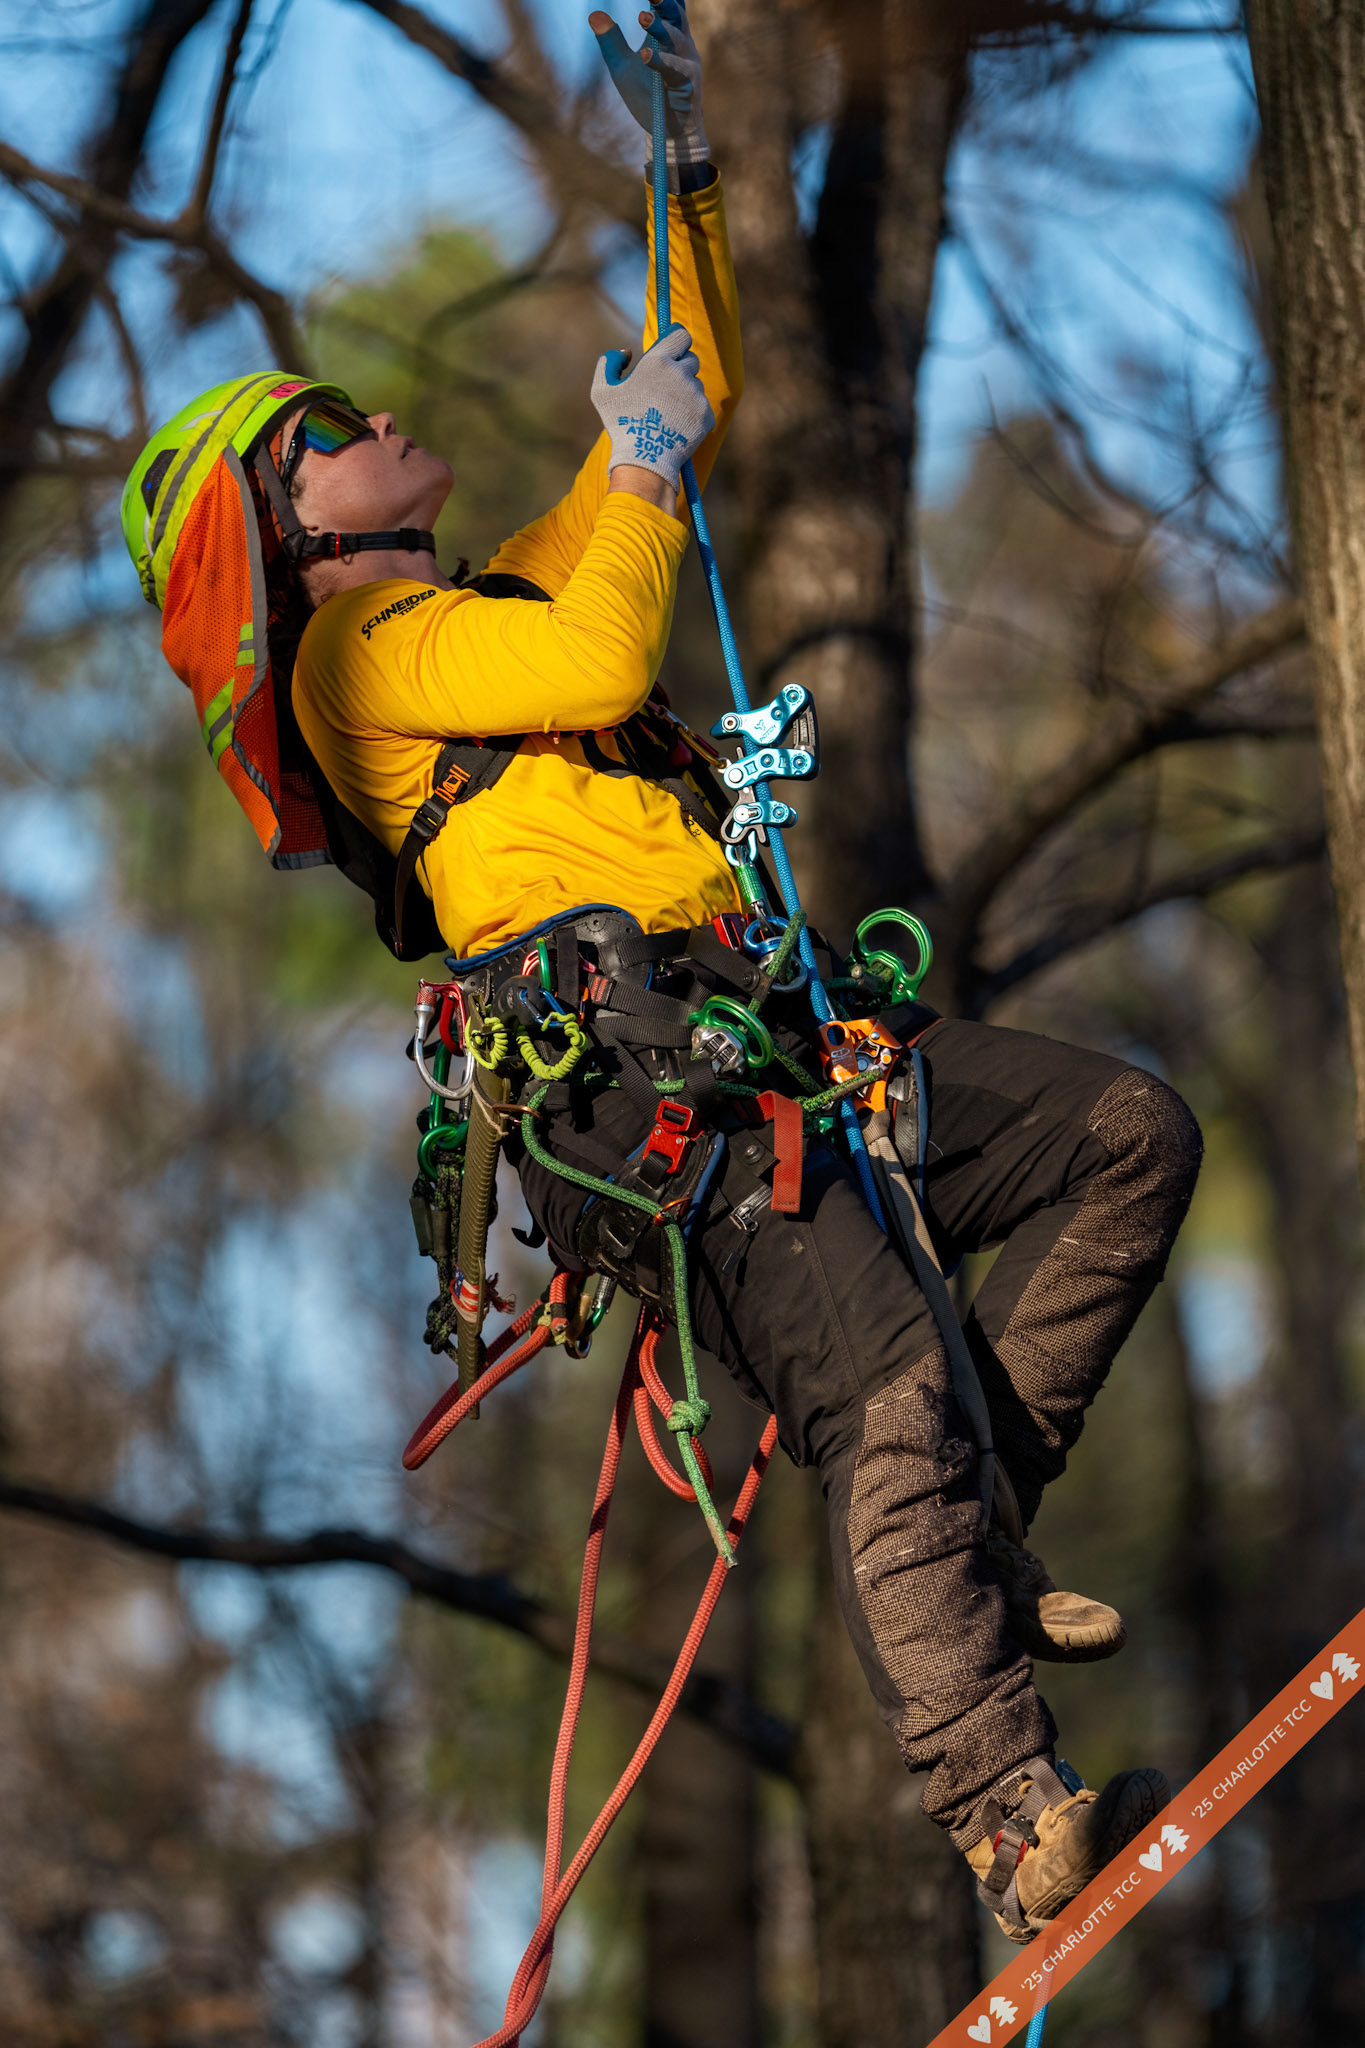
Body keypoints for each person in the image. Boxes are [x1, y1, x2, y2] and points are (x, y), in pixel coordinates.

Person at [122, 0, 1202, 1947]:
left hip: (775, 1032)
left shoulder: (487, 597)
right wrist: (630, 464)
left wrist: (689, 175)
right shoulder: (354, 666)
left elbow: (665, 397)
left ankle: (975, 1521)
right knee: (880, 1380)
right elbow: (611, 651)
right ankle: (1003, 1815)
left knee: (1117, 1132)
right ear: (289, 538)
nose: (371, 423)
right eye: (323, 441)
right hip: (650, 1085)